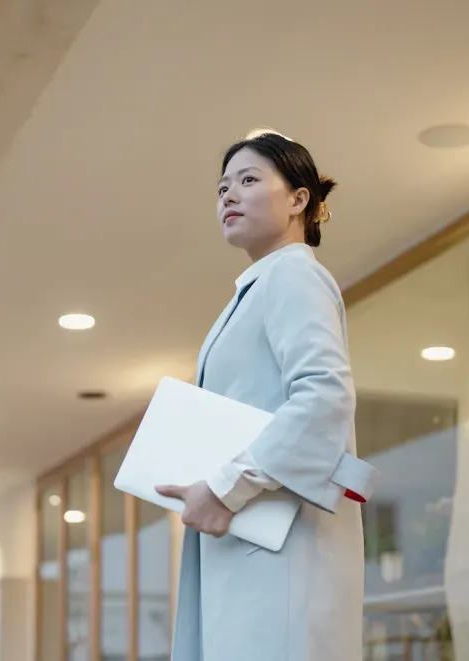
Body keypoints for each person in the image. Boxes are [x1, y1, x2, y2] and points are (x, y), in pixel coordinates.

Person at [155, 132, 379, 661]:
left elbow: (324, 396)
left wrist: (228, 487)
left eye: (249, 181)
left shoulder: (294, 275)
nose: (228, 196)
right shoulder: (262, 285)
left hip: (279, 540)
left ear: (300, 200)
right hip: (253, 534)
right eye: (222, 188)